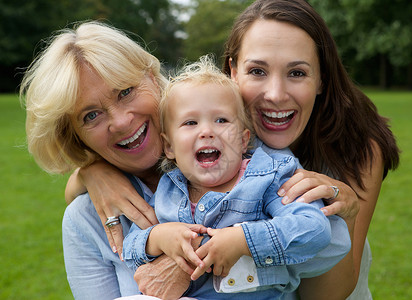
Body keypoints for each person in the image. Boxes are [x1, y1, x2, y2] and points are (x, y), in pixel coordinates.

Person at [122, 56, 349, 299]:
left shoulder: (266, 178)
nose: (207, 131)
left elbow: (314, 229)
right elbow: (129, 249)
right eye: (190, 122)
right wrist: (157, 237)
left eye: (221, 120)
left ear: (243, 140)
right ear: (169, 147)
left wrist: (243, 240)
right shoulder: (169, 189)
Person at [221, 0, 400, 298]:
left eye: (297, 73)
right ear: (233, 71)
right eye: (257, 71)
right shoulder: (202, 137)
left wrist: (347, 213)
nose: (276, 95)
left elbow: (325, 296)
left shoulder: (358, 148)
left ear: (321, 79)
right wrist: (111, 176)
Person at [19, 21, 191, 299]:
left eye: (126, 91)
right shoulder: (84, 220)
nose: (121, 122)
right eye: (91, 115)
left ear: (151, 77)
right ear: (74, 136)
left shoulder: (234, 159)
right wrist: (89, 171)